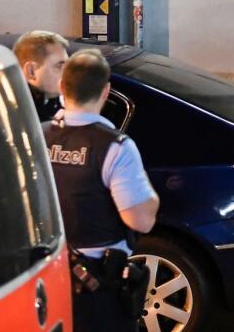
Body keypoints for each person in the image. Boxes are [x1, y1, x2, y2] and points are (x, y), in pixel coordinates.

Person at [45, 49, 159, 332]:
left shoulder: (37, 136)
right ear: (106, 91)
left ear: (61, 86)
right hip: (97, 286)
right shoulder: (116, 147)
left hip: (46, 279)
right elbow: (141, 220)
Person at [13, 30, 69, 121]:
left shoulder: (51, 101)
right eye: (59, 66)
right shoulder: (16, 118)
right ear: (31, 71)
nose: (68, 73)